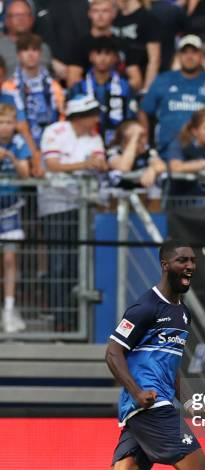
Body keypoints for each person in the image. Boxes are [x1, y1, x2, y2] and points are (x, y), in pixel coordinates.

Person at [35, 240, 205, 470]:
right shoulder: (145, 306)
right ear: (165, 264)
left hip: (159, 403)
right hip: (147, 405)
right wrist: (136, 392)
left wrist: (184, 400)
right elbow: (113, 352)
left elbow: (169, 364)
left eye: (192, 260)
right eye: (181, 260)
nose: (189, 265)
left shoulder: (183, 313)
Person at [39, 95, 107, 332]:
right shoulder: (55, 131)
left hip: (84, 206)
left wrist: (92, 164)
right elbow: (52, 165)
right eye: (93, 113)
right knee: (59, 262)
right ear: (81, 116)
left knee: (78, 263)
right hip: (56, 204)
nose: (97, 118)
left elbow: (101, 163)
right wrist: (85, 164)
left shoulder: (95, 136)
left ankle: (74, 318)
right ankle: (60, 318)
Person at [140, 34, 205, 159]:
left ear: (201, 56)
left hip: (203, 152)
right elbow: (144, 110)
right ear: (179, 56)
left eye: (194, 52)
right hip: (166, 150)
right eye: (185, 52)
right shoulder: (163, 80)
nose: (189, 57)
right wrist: (145, 140)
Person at [68, 36, 138, 147]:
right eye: (98, 53)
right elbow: (71, 120)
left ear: (115, 58)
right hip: (84, 142)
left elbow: (131, 118)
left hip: (117, 143)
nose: (102, 58)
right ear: (91, 57)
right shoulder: (79, 87)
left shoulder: (125, 87)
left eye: (107, 54)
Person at [0, 102, 30, 333]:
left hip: (10, 209)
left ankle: (9, 309)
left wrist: (9, 156)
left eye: (9, 122)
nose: (5, 127)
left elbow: (26, 174)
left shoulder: (19, 144)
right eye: (1, 122)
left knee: (10, 259)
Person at [3, 33, 64, 148]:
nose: (30, 54)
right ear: (19, 55)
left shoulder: (53, 85)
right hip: (19, 143)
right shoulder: (9, 86)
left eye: (34, 50)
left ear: (40, 53)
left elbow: (61, 115)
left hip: (52, 141)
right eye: (25, 50)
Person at [66, 0, 140, 90]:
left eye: (105, 11)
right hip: (87, 99)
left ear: (114, 13)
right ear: (89, 14)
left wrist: (117, 90)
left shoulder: (123, 44)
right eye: (96, 11)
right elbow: (72, 81)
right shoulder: (79, 45)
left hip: (117, 99)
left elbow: (136, 81)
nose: (100, 16)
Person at [112, 0, 161, 92]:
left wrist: (146, 91)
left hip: (139, 83)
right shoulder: (115, 17)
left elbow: (154, 60)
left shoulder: (148, 19)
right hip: (115, 83)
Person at [108, 119, 166, 188]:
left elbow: (162, 166)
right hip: (119, 196)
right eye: (139, 137)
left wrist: (152, 169)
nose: (143, 141)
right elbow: (124, 167)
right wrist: (134, 136)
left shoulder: (148, 152)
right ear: (125, 140)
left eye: (143, 136)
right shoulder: (114, 152)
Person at [0, 0, 51, 77]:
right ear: (7, 20)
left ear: (32, 19)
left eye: (25, 15)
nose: (21, 19)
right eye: (16, 15)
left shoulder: (43, 48)